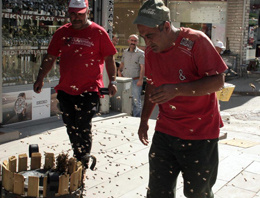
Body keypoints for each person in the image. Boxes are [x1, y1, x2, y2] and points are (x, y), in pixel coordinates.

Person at [133, 0, 228, 197]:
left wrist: (177, 89)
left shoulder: (196, 41)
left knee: (198, 193)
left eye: (150, 36)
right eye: (142, 37)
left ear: (166, 26)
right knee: (158, 191)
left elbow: (218, 81)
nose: (146, 43)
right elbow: (151, 85)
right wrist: (143, 120)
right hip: (166, 131)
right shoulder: (151, 51)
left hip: (201, 134)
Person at [33, 0, 117, 169]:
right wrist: (40, 77)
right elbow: (50, 57)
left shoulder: (98, 32)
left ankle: (82, 162)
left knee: (84, 124)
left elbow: (109, 58)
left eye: (80, 14)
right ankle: (77, 156)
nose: (76, 17)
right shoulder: (61, 33)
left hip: (89, 89)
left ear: (88, 12)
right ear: (69, 13)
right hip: (66, 89)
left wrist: (113, 80)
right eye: (73, 14)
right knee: (71, 125)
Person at [118, 34, 145, 117]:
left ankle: (136, 118)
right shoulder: (125, 52)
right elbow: (122, 64)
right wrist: (119, 73)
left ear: (137, 42)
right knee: (125, 100)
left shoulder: (141, 53)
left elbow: (142, 67)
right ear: (128, 41)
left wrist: (141, 80)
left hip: (135, 80)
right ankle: (127, 115)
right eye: (131, 40)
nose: (133, 42)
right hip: (125, 81)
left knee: (136, 101)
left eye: (135, 41)